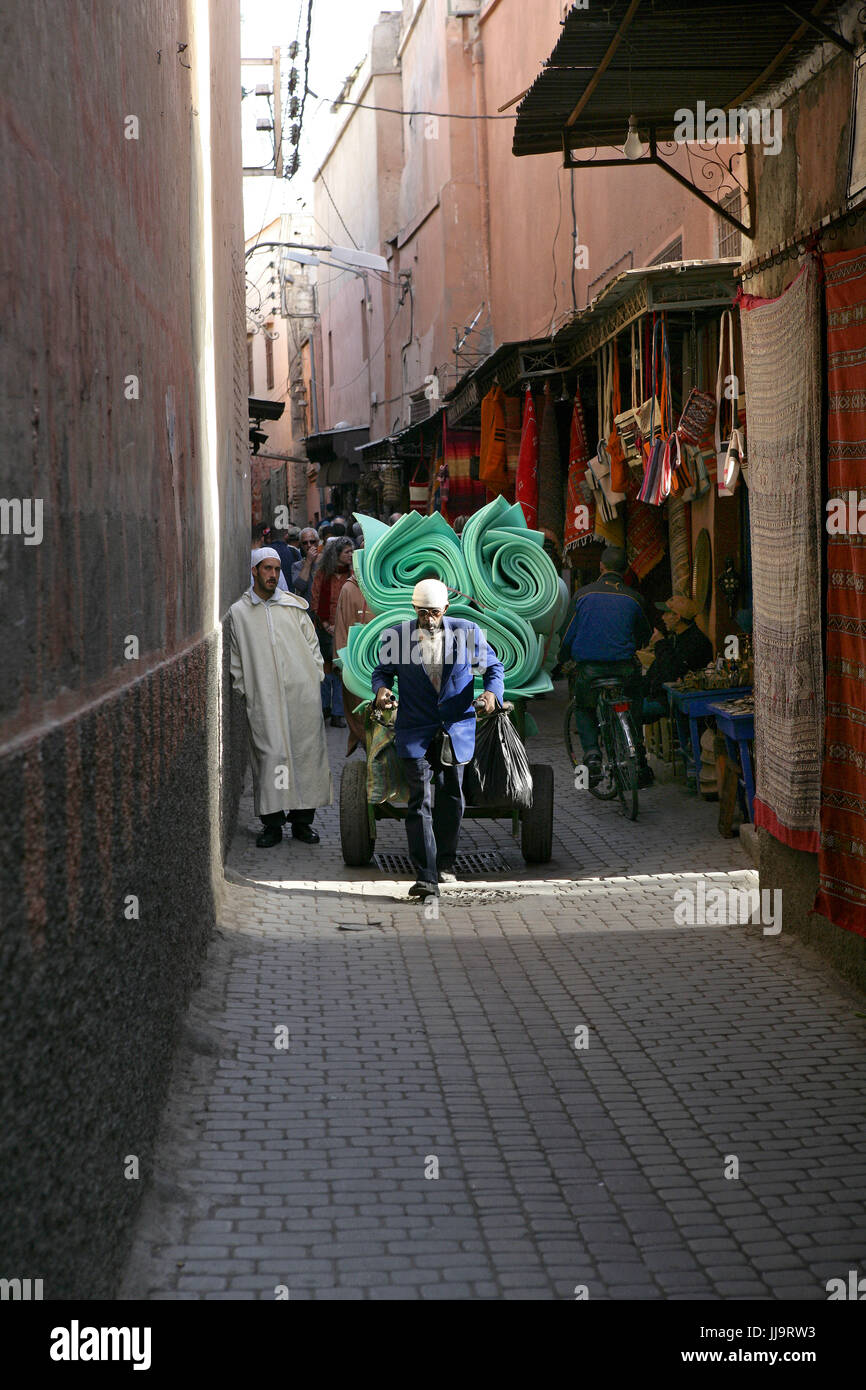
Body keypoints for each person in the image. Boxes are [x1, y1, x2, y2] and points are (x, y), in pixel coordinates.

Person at [371, 578, 504, 900]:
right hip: (415, 728)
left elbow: (494, 667)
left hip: (454, 729)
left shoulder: (466, 632)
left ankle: (446, 861)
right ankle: (426, 875)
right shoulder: (398, 635)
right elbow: (382, 672)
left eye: (433, 612)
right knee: (420, 801)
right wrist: (381, 692)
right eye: (421, 612)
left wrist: (490, 694)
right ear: (414, 609)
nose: (428, 619)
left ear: (445, 609)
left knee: (451, 797)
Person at [230, 548, 332, 848]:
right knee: (271, 757)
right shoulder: (239, 613)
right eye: (266, 569)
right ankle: (272, 824)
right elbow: (236, 659)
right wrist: (244, 690)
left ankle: (302, 823)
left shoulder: (293, 607)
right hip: (263, 698)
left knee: (305, 756)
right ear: (254, 571)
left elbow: (313, 647)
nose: (273, 574)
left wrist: (314, 679)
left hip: (302, 697)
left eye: (276, 569)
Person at [562, 545, 654, 789]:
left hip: (590, 671)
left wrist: (563, 659)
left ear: (601, 567)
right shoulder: (634, 598)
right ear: (625, 571)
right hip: (624, 670)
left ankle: (592, 753)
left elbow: (567, 635)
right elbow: (644, 635)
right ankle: (637, 751)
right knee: (634, 699)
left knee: (583, 707)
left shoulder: (582, 595)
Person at [641, 595, 713, 716]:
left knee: (631, 713)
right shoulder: (676, 638)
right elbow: (655, 672)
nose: (662, 617)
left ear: (677, 617)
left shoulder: (696, 642)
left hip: (677, 702)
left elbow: (670, 673)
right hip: (662, 697)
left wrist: (660, 644)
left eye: (666, 613)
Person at [310, 537, 355, 727]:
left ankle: (338, 712)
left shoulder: (353, 575)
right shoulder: (322, 573)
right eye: (347, 552)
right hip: (323, 627)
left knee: (340, 669)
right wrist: (326, 624)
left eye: (352, 552)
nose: (351, 555)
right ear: (336, 555)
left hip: (344, 629)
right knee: (324, 666)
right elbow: (315, 598)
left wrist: (340, 626)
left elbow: (354, 602)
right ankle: (324, 709)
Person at [333, 560, 374, 755]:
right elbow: (342, 628)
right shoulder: (350, 589)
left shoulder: (390, 587)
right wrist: (343, 664)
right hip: (358, 667)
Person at [292, 528, 320, 601]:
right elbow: (300, 586)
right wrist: (308, 561)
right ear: (301, 545)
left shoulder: (326, 561)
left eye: (312, 542)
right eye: (305, 543)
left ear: (317, 542)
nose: (309, 545)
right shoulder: (297, 566)